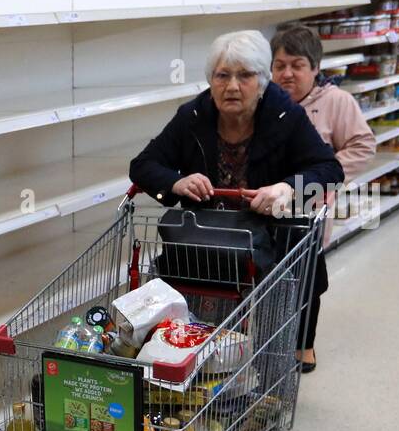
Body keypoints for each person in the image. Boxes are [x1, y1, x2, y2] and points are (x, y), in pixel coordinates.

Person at [129, 30, 344, 368]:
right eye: (222, 75)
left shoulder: (286, 116)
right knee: (194, 315)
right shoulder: (193, 117)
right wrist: (177, 182)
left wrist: (286, 188)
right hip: (208, 239)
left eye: (245, 76)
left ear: (262, 81)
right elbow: (142, 166)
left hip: (272, 236)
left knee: (279, 307)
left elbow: (328, 168)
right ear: (211, 80)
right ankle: (199, 368)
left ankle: (274, 372)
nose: (232, 86)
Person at [271, 24, 377, 372]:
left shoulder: (336, 102)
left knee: (307, 279)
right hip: (267, 204)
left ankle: (304, 346)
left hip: (311, 207)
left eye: (297, 65)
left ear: (315, 68)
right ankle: (266, 343)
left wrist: (326, 171)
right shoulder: (265, 102)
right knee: (266, 277)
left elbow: (363, 146)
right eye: (280, 65)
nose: (287, 73)